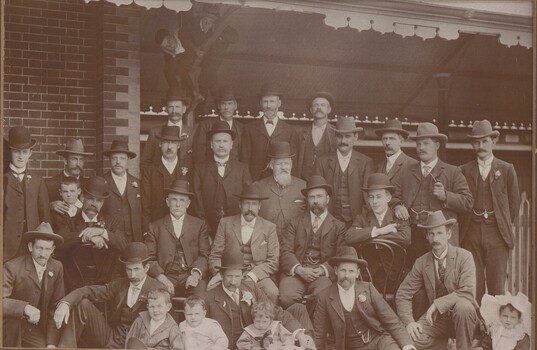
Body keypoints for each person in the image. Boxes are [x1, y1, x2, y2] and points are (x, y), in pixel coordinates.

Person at [53, 242, 166, 348]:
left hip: (139, 344)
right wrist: (65, 303)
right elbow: (88, 290)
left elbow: (167, 325)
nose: (132, 275)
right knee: (83, 304)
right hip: (112, 338)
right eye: (129, 270)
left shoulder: (158, 288)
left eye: (137, 269)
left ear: (146, 268)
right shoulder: (120, 285)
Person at [391, 122, 473, 265]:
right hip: (413, 235)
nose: (421, 148)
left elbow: (468, 202)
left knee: (441, 276)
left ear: (437, 145)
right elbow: (393, 195)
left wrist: (446, 196)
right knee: (414, 275)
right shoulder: (406, 172)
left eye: (426, 143)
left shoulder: (452, 172)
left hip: (439, 236)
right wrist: (398, 206)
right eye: (418, 144)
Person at [396, 211, 478, 350]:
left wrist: (436, 305)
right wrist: (409, 322)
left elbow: (467, 292)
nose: (435, 239)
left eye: (440, 233)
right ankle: (444, 345)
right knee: (411, 340)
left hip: (462, 319)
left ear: (449, 234)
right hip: (436, 320)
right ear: (427, 237)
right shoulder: (422, 262)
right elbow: (403, 294)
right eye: (431, 234)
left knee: (464, 306)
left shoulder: (464, 257)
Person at [203, 249, 315, 350]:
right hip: (233, 346)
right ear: (221, 275)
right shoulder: (208, 298)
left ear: (242, 275)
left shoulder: (251, 287)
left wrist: (300, 334)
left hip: (257, 344)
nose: (233, 281)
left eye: (237, 276)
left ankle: (309, 344)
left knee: (299, 309)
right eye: (229, 276)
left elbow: (273, 310)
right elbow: (202, 331)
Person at [459, 120, 520, 303]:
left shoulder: (507, 169)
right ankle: (476, 330)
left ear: (493, 141)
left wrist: (499, 223)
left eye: (484, 141)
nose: (480, 146)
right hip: (471, 234)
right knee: (473, 285)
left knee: (496, 288)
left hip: (497, 235)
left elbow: (514, 205)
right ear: (472, 144)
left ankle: (495, 331)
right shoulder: (464, 170)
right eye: (476, 142)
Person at [313, 247, 415, 350]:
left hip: (378, 341)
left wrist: (407, 344)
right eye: (343, 270)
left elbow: (391, 319)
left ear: (357, 273)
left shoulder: (368, 289)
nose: (346, 276)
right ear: (336, 271)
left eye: (351, 271)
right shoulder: (324, 296)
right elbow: (319, 333)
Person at [279, 176, 346, 310]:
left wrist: (321, 270)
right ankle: (298, 326)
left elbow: (340, 257)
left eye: (319, 196)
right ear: (307, 200)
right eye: (311, 197)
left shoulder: (338, 226)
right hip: (297, 273)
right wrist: (299, 269)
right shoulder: (295, 222)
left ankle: (312, 328)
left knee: (323, 296)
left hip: (321, 275)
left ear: (327, 199)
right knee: (286, 296)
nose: (315, 201)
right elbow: (285, 251)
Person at [208, 183, 280, 303]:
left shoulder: (269, 227)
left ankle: (264, 321)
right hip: (229, 272)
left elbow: (273, 261)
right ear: (240, 204)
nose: (250, 208)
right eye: (247, 203)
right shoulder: (225, 223)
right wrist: (220, 273)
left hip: (256, 273)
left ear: (260, 206)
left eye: (254, 204)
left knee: (272, 292)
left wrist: (252, 275)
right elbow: (215, 255)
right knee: (211, 288)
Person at [55, 176, 128, 290]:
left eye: (99, 200)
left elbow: (123, 245)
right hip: (75, 285)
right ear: (82, 197)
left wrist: (101, 231)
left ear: (103, 203)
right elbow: (61, 240)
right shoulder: (70, 220)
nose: (94, 204)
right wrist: (88, 236)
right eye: (90, 199)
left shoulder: (111, 222)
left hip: (106, 286)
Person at [145, 179, 211, 297]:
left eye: (182, 200)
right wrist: (161, 277)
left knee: (201, 297)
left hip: (190, 274)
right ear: (167, 202)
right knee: (158, 298)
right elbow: (149, 258)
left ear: (188, 204)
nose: (178, 204)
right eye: (174, 200)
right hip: (166, 276)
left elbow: (205, 254)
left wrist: (195, 274)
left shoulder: (199, 225)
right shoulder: (155, 227)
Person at [3, 222, 65, 348]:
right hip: (11, 327)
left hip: (35, 329)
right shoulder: (12, 267)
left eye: (47, 249)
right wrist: (24, 308)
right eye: (39, 248)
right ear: (30, 247)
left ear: (53, 249)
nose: (43, 254)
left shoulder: (57, 267)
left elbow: (55, 306)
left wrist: (51, 342)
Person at [345, 173, 411, 289]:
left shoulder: (398, 218)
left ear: (388, 198)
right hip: (368, 276)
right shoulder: (362, 218)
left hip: (394, 277)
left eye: (379, 196)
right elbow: (349, 237)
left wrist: (366, 236)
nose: (374, 201)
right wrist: (380, 231)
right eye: (371, 197)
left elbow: (405, 239)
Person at [193, 120, 252, 238]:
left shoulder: (242, 169)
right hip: (207, 229)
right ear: (211, 144)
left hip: (237, 229)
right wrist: (205, 229)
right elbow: (197, 202)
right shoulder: (199, 169)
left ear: (231, 145)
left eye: (225, 141)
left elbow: (248, 199)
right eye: (217, 141)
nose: (221, 145)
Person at [313, 116, 373, 226]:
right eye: (340, 136)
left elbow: (368, 197)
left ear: (355, 137)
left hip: (356, 221)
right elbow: (316, 194)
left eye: (348, 136)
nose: (343, 141)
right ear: (335, 137)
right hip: (328, 221)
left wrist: (361, 221)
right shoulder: (322, 161)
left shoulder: (365, 163)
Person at [4, 126, 51, 262]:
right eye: (16, 152)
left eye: (25, 152)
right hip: (8, 247)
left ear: (30, 153)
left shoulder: (37, 181)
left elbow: (45, 216)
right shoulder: (3, 179)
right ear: (9, 152)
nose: (21, 156)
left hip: (32, 247)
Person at [177, 3, 239, 104]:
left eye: (211, 21)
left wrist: (223, 26)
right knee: (183, 68)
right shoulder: (191, 24)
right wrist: (194, 49)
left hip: (208, 60)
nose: (207, 23)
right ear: (201, 17)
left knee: (209, 75)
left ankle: (202, 98)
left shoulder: (218, 28)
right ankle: (191, 93)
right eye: (205, 20)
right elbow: (183, 35)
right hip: (192, 56)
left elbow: (235, 38)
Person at [241, 84, 299, 181]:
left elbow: (293, 163)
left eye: (272, 101)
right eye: (265, 101)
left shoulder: (290, 130)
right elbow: (244, 160)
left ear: (279, 103)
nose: (268, 106)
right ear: (260, 103)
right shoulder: (249, 129)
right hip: (255, 182)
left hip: (280, 183)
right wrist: (248, 184)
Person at [253, 141, 306, 240]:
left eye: (286, 163)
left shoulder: (303, 186)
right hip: (265, 242)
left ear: (291, 165)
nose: (283, 167)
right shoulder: (258, 187)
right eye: (279, 164)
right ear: (272, 166)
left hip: (295, 243)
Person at [142, 125, 191, 229]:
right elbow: (145, 206)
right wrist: (148, 229)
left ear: (178, 145)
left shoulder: (189, 169)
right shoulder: (150, 170)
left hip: (183, 227)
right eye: (165, 142)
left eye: (173, 143)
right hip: (157, 226)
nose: (169, 147)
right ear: (160, 144)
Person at [140, 89, 195, 168]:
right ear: (166, 109)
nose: (174, 111)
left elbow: (198, 163)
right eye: (171, 107)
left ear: (184, 109)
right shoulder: (155, 132)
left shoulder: (193, 133)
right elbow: (145, 161)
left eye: (177, 107)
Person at [102, 140, 144, 242]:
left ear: (128, 159)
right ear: (109, 159)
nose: (118, 162)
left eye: (122, 158)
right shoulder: (101, 182)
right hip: (110, 238)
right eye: (114, 158)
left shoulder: (138, 183)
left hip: (134, 239)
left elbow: (145, 211)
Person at [192, 87, 247, 164]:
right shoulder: (205, 125)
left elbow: (244, 157)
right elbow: (198, 154)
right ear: (218, 106)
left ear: (235, 106)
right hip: (210, 172)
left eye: (230, 103)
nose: (226, 107)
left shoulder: (242, 128)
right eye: (223, 104)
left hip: (235, 174)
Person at [296, 91, 337, 180]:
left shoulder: (336, 133)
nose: (319, 108)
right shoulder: (301, 134)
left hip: (327, 182)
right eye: (316, 105)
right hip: (304, 181)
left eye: (322, 105)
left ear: (329, 109)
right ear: (311, 110)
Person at [46, 138, 92, 214]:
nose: (78, 164)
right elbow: (39, 208)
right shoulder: (50, 184)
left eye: (81, 160)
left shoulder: (88, 185)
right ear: (65, 160)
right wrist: (50, 205)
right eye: (74, 159)